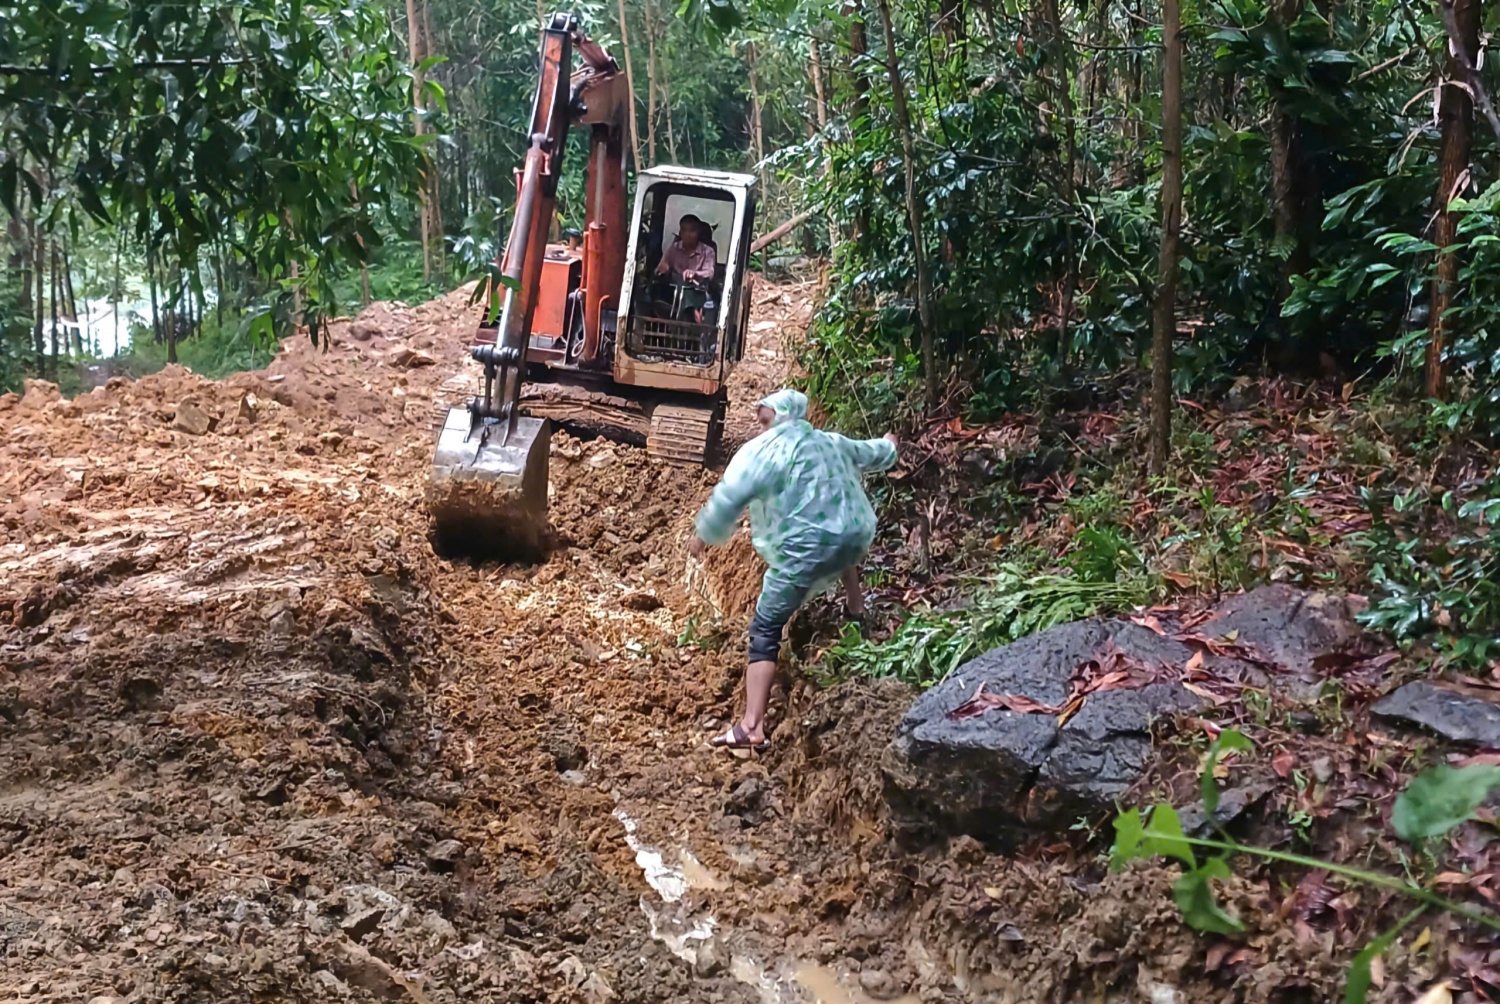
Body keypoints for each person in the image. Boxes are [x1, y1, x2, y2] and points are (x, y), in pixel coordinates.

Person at [688, 389, 898, 754]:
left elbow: (730, 496)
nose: (761, 426)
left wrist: (702, 535)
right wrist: (891, 444)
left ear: (782, 416)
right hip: (856, 533)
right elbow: (873, 452)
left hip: (806, 548)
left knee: (766, 627)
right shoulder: (830, 441)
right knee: (837, 538)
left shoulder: (765, 453)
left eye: (765, 419)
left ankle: (751, 727)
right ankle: (856, 610)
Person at [655, 215, 716, 322]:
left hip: (698, 291)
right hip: (673, 290)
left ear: (698, 232)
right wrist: (662, 268)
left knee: (688, 290)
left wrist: (695, 273)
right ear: (680, 232)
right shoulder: (674, 248)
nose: (688, 234)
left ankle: (690, 311)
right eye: (684, 230)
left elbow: (710, 273)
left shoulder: (708, 251)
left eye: (692, 230)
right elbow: (663, 264)